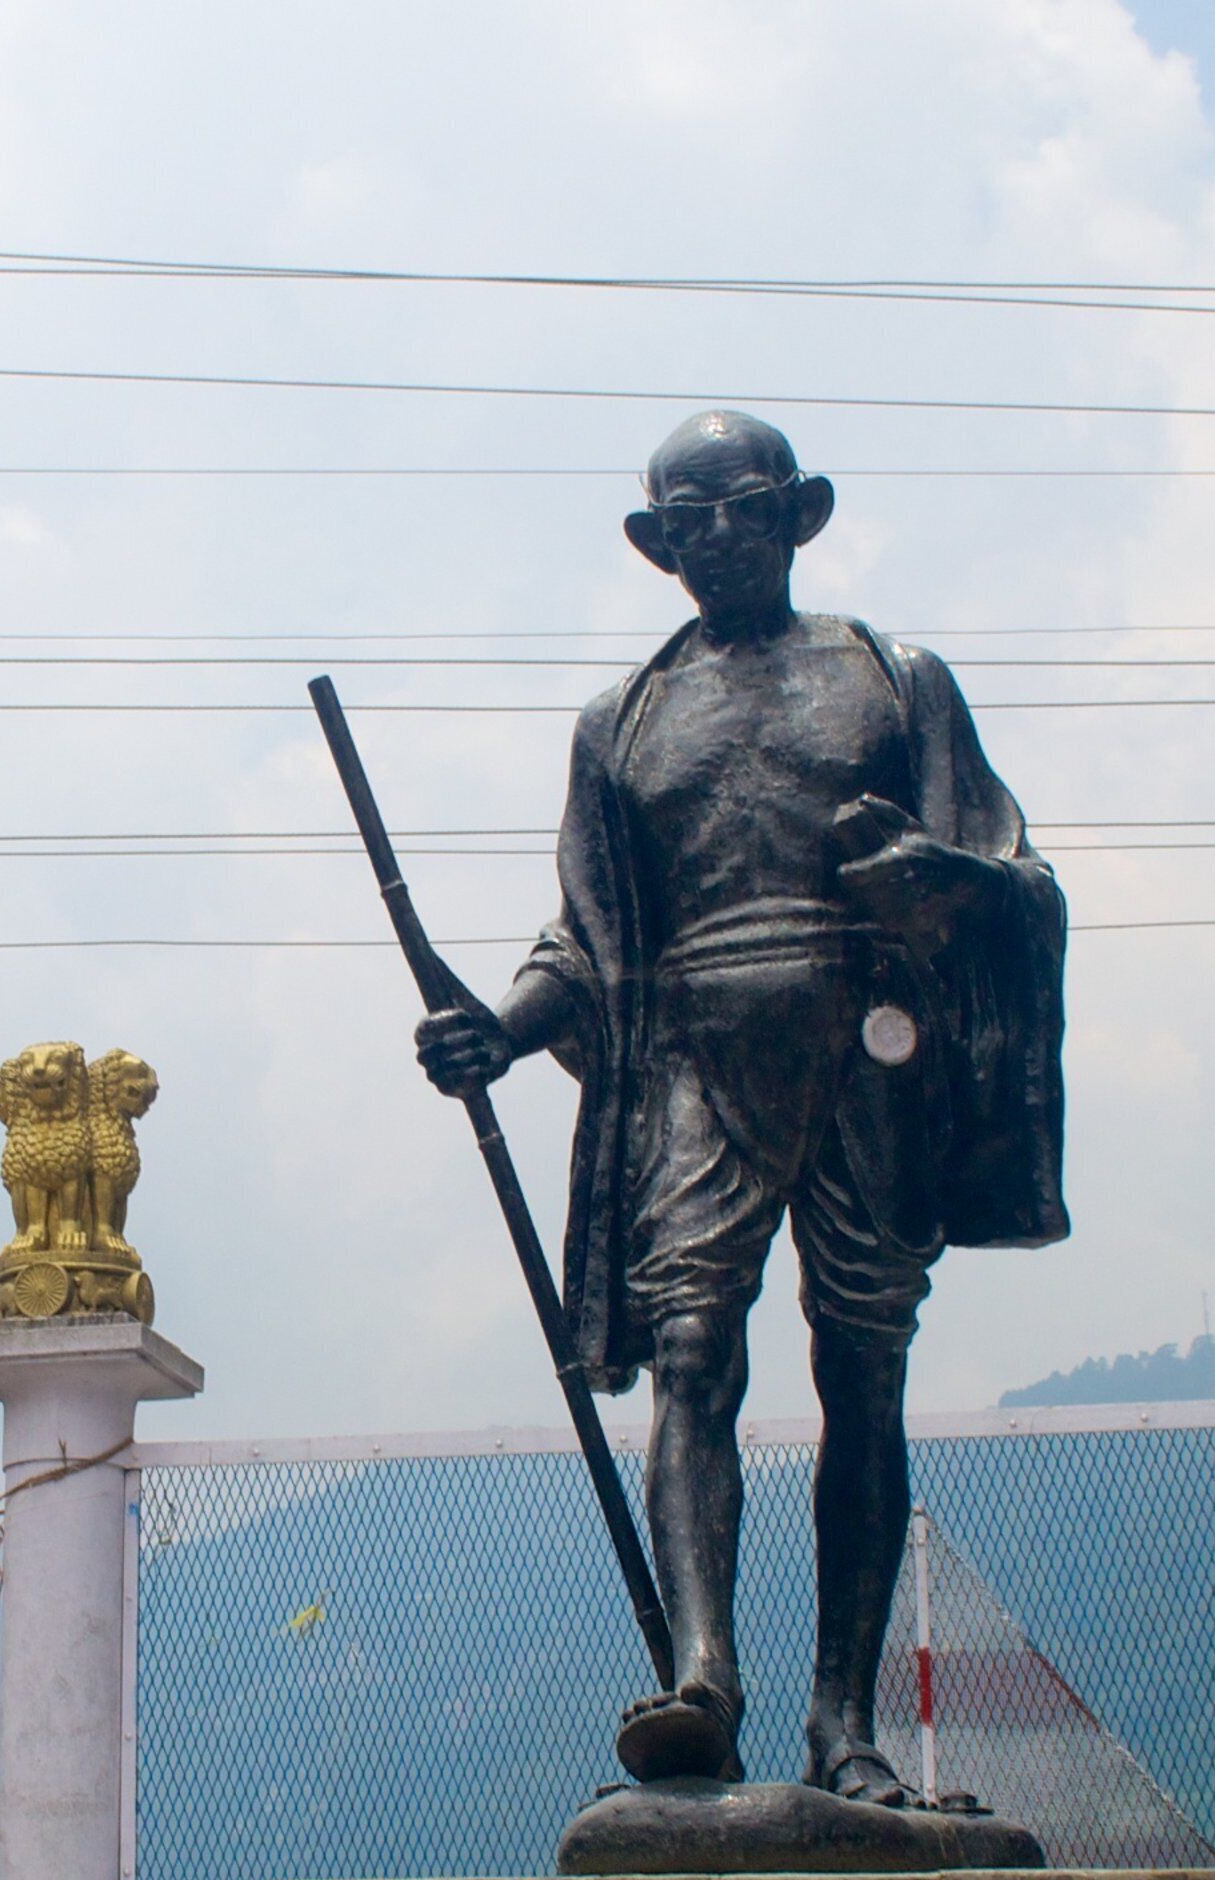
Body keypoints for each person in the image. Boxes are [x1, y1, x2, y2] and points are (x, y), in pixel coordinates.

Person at [414, 410, 1067, 1801]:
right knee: (694, 1350)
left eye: (746, 507)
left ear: (803, 512)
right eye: (686, 519)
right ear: (653, 544)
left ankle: (847, 1725)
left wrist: (934, 880)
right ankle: (704, 1676)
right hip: (696, 1060)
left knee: (862, 1370)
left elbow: (1008, 869)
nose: (717, 536)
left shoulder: (895, 679)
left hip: (869, 1045)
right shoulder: (621, 726)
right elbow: (590, 938)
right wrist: (507, 1031)